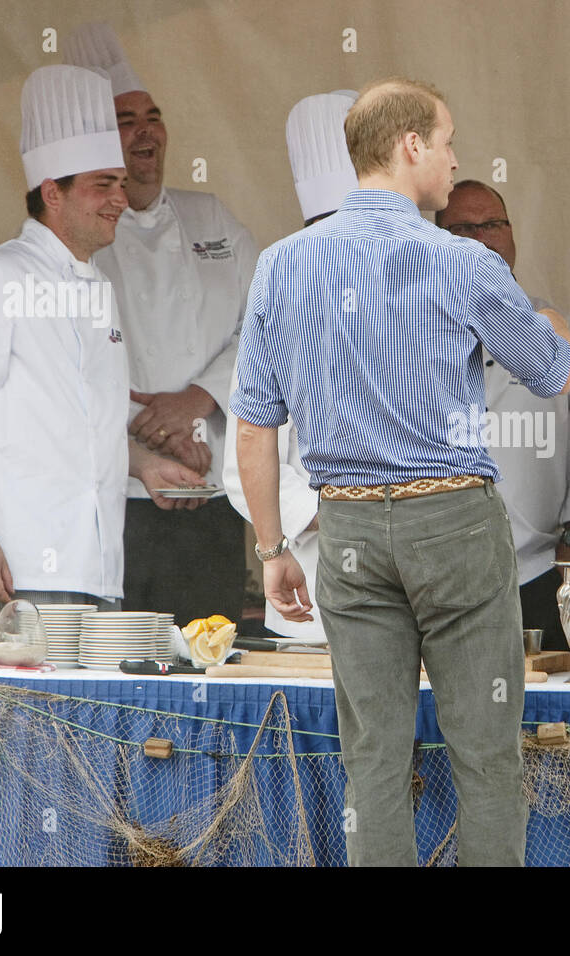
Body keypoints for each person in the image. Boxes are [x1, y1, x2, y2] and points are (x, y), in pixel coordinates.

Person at [231, 78, 570, 866]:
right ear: (410, 147)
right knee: (486, 755)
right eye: (448, 141)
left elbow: (255, 426)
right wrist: (552, 322)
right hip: (452, 520)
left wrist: (271, 547)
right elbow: (553, 372)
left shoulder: (282, 266)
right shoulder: (460, 261)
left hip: (346, 526)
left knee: (373, 762)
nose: (456, 159)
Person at [0, 65, 203, 606]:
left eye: (120, 183)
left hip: (99, 567)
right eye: (102, 186)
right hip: (18, 570)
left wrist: (146, 467)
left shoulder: (97, 286)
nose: (120, 198)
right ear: (52, 191)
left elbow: (84, 421)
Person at [64, 23, 258, 625]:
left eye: (153, 116)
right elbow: (73, 365)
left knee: (212, 661)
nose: (145, 130)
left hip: (213, 492)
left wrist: (196, 401)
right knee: (131, 666)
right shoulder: (85, 240)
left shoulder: (212, 217)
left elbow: (269, 327)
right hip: (122, 494)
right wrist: (152, 435)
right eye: (125, 121)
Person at [435, 180, 570, 652]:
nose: (482, 237)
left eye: (492, 223)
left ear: (512, 233)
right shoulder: (414, 332)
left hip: (541, 569)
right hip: (438, 576)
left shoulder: (564, 333)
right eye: (463, 228)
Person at [223, 89, 360, 643]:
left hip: (416, 589)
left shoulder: (421, 273)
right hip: (314, 590)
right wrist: (329, 514)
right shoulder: (283, 284)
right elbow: (246, 453)